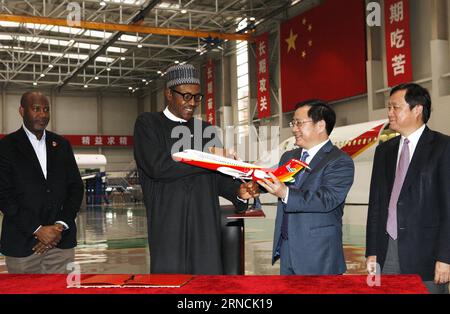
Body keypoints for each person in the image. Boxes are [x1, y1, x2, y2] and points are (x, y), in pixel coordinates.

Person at [133, 63, 258, 275]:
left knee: (207, 285)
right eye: (186, 96)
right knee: (169, 283)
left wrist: (238, 190)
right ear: (168, 94)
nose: (192, 103)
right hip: (167, 225)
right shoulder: (148, 124)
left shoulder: (206, 130)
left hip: (204, 225)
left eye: (197, 97)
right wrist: (209, 158)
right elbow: (158, 167)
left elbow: (217, 177)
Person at [365, 83, 450, 294]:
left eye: (395, 107)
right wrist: (372, 252)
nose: (389, 113)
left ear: (417, 109)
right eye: (389, 108)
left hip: (427, 255)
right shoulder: (384, 151)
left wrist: (445, 257)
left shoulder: (443, 147)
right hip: (387, 252)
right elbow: (376, 206)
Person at [258, 100, 354, 275]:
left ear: (320, 125)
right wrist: (250, 183)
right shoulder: (289, 157)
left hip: (318, 252)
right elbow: (274, 180)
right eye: (293, 123)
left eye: (299, 123)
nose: (294, 128)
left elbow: (327, 199)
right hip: (287, 248)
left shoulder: (339, 161)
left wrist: (284, 192)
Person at [0, 91, 84, 274]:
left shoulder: (62, 145)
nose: (43, 115)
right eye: (36, 109)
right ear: (22, 111)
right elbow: (4, 196)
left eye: (46, 109)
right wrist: (37, 229)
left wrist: (59, 226)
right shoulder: (6, 147)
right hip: (23, 245)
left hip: (61, 241)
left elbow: (76, 188)